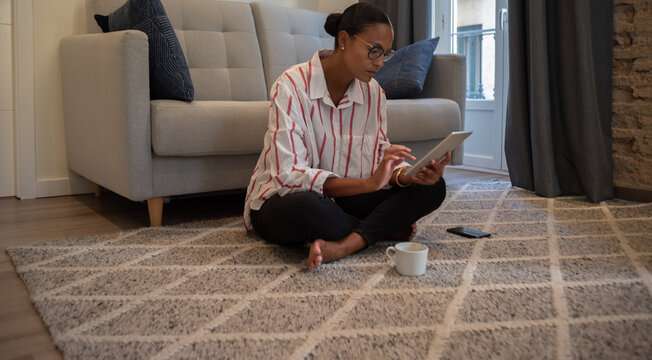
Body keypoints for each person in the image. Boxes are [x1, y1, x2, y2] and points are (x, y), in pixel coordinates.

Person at [243, 3, 449, 271]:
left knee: (434, 187)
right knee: (307, 209)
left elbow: (378, 153)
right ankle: (379, 229)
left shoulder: (374, 93)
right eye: (373, 50)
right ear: (344, 40)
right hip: (284, 200)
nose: (379, 62)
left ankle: (346, 243)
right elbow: (288, 176)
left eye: (385, 54)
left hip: (345, 200)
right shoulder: (291, 86)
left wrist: (406, 175)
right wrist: (369, 185)